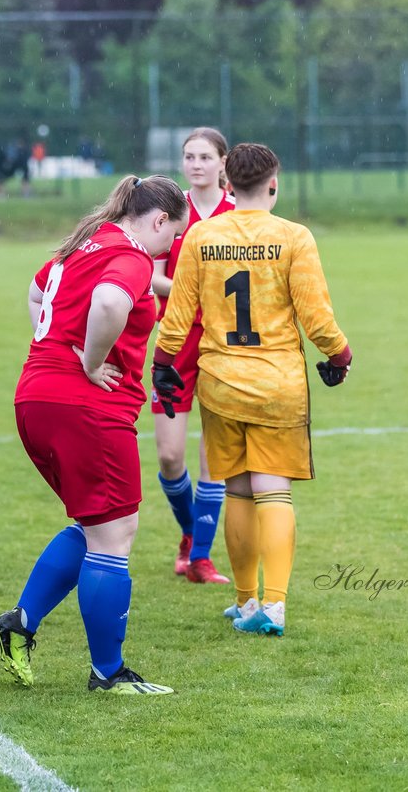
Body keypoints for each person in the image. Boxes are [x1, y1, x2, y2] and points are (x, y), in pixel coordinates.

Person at [0, 174, 187, 695]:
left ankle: (21, 623)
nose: (167, 251)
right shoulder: (131, 256)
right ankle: (108, 672)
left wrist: (58, 349)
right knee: (115, 536)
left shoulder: (86, 243)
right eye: (171, 239)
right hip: (86, 408)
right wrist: (91, 360)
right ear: (158, 220)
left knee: (93, 524)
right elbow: (107, 303)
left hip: (36, 397)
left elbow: (36, 294)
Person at [153, 143, 352, 638]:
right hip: (276, 383)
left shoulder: (201, 236)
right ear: (273, 183)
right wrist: (340, 355)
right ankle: (276, 606)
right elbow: (316, 316)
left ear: (228, 183)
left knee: (237, 489)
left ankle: (244, 602)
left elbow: (178, 313)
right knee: (273, 491)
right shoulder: (293, 237)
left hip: (221, 383)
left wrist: (162, 362)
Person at [150, 127, 234, 584]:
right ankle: (190, 533)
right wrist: (192, 291)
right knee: (168, 457)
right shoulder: (170, 211)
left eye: (205, 156)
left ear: (223, 163)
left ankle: (200, 558)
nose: (196, 164)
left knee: (214, 459)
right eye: (189, 156)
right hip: (176, 342)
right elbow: (152, 274)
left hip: (223, 346)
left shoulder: (237, 212)